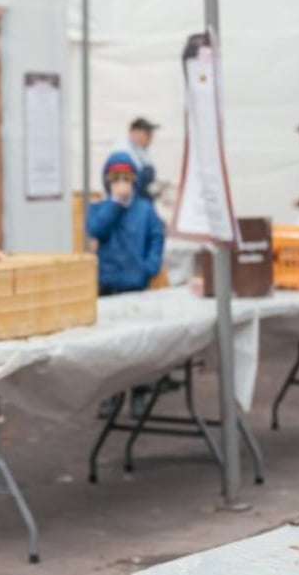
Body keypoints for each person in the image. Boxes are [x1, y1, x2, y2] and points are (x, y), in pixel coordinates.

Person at [87, 153, 165, 418]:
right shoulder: (101, 208)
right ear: (108, 182)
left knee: (139, 344)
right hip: (108, 286)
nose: (121, 184)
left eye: (127, 179)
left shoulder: (144, 209)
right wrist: (115, 205)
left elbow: (157, 236)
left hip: (135, 285)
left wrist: (150, 266)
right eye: (115, 179)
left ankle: (139, 393)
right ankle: (110, 394)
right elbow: (96, 229)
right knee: (110, 346)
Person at [112, 117, 160, 201]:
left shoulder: (142, 150)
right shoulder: (122, 151)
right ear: (134, 133)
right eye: (147, 134)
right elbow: (121, 190)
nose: (151, 137)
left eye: (151, 134)